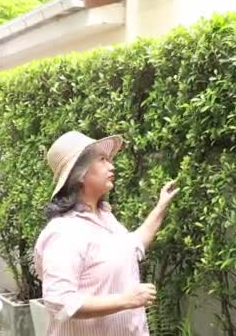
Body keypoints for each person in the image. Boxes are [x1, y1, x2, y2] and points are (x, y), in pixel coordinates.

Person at [34, 131, 179, 336]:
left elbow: (133, 246)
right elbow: (60, 302)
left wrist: (161, 206)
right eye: (102, 160)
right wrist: (126, 300)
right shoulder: (64, 233)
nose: (111, 166)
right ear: (80, 174)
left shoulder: (105, 217)